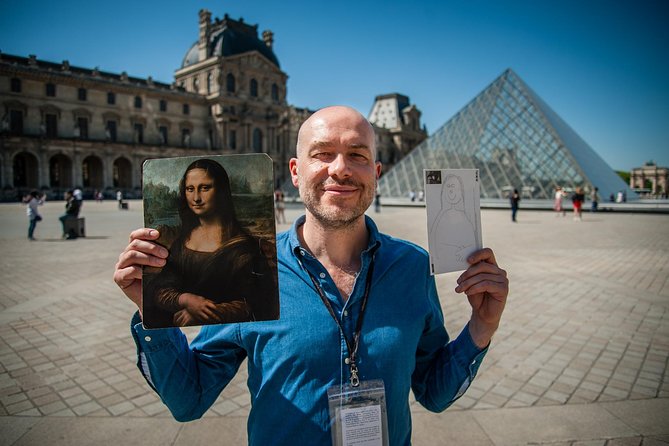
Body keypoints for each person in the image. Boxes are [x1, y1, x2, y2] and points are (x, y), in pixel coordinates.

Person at [113, 106, 509, 445]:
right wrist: (154, 315)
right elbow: (189, 400)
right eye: (322, 154)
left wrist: (481, 326)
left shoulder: (412, 266)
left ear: (377, 171)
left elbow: (433, 393)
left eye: (357, 155)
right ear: (295, 172)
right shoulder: (248, 269)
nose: (340, 169)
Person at [142, 158, 278, 328]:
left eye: (205, 188)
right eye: (190, 189)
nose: (196, 198)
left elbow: (257, 301)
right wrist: (185, 300)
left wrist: (207, 313)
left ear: (221, 190)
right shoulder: (182, 240)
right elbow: (159, 290)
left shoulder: (246, 247)